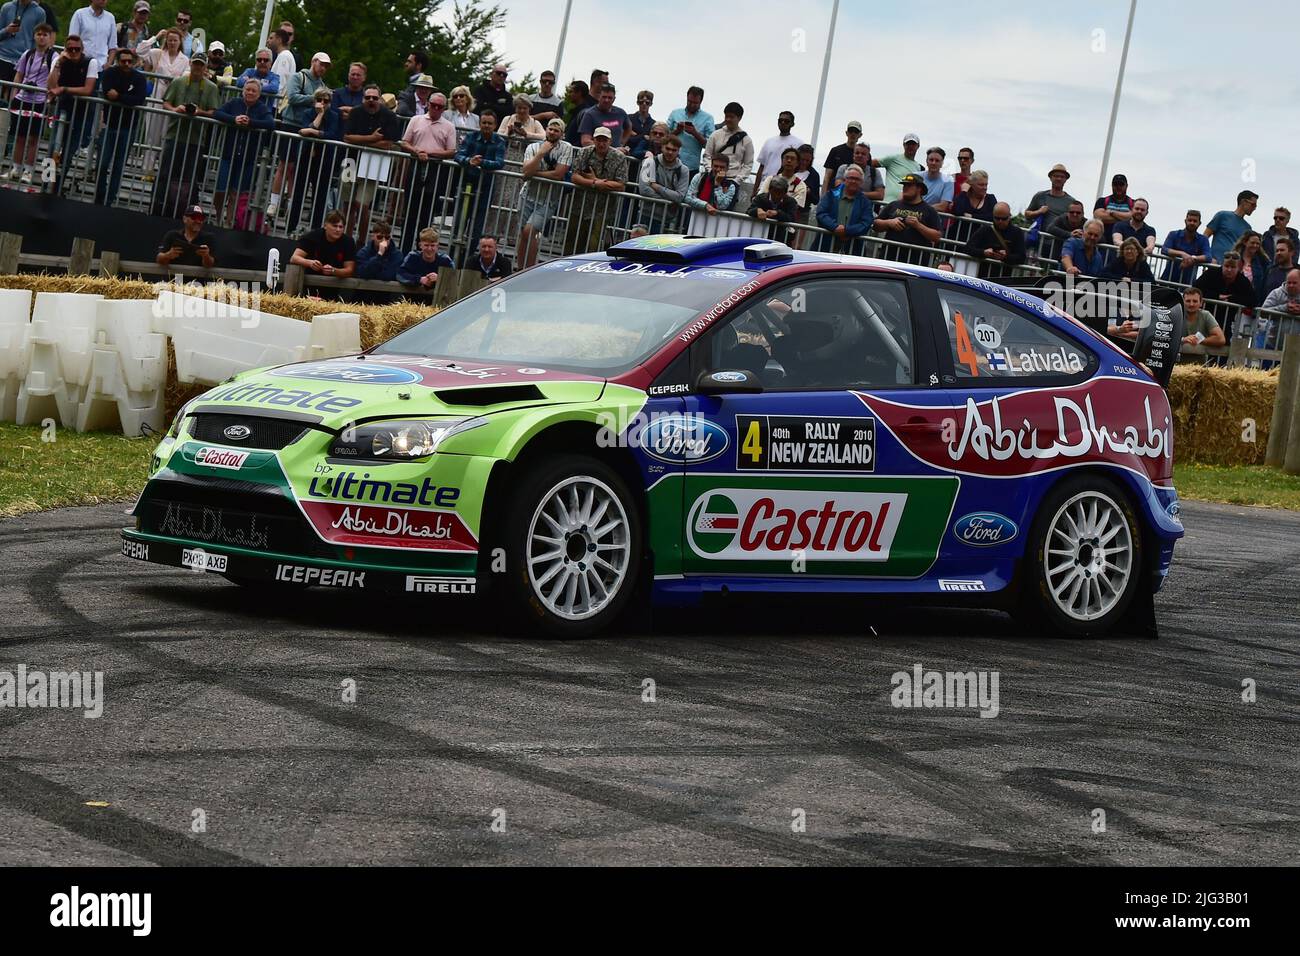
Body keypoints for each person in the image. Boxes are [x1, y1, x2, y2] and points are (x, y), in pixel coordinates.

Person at [149, 51, 219, 218]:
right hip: (174, 135)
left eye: (201, 65)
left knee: (191, 178)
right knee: (165, 173)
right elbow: (165, 102)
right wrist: (176, 109)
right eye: (195, 63)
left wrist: (199, 112)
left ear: (205, 67)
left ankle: (188, 214)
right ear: (190, 64)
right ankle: (157, 209)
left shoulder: (211, 87)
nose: (197, 67)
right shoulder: (179, 82)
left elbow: (214, 111)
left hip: (196, 139)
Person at [267, 50, 329, 222]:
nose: (323, 68)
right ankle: (274, 202)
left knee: (296, 168)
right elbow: (293, 97)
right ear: (313, 61)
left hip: (306, 127)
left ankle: (290, 203)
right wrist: (314, 99)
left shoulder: (322, 84)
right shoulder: (298, 77)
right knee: (284, 164)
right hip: (290, 123)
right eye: (321, 63)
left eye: (326, 66)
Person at [212, 76, 275, 227]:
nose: (250, 93)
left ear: (259, 94)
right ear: (243, 91)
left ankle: (229, 221)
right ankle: (218, 216)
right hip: (228, 155)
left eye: (254, 91)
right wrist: (234, 120)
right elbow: (217, 113)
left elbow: (270, 123)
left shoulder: (261, 108)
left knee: (237, 192)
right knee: (221, 189)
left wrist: (251, 123)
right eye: (248, 89)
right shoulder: (234, 103)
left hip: (248, 159)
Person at [399, 91, 458, 251]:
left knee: (428, 212)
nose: (436, 109)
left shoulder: (449, 126)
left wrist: (430, 154)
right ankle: (404, 249)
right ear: (428, 105)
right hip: (416, 165)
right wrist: (417, 152)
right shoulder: (416, 120)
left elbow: (452, 151)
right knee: (410, 210)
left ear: (444, 108)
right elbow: (404, 142)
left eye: (440, 107)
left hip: (435, 169)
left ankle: (422, 251)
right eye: (433, 105)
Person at [343, 81, 400, 238]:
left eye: (374, 98)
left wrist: (361, 140)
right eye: (367, 97)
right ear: (363, 98)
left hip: (374, 163)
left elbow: (388, 144)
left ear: (380, 99)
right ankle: (346, 239)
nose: (371, 100)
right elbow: (347, 137)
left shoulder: (389, 116)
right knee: (347, 205)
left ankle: (361, 241)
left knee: (362, 205)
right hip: (351, 160)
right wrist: (372, 138)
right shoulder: (355, 112)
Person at [515, 117, 573, 268]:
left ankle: (530, 268)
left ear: (562, 134)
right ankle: (521, 268)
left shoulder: (566, 148)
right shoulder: (533, 147)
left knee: (529, 231)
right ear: (546, 129)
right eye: (550, 129)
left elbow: (558, 174)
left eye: (556, 130)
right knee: (524, 233)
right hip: (527, 195)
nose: (552, 132)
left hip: (548, 199)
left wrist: (535, 174)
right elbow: (526, 171)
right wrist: (541, 153)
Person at [93, 44, 147, 206]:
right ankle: (100, 196)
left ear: (134, 62)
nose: (126, 64)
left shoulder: (139, 78)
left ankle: (110, 199)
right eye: (123, 61)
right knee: (102, 164)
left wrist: (119, 96)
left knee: (118, 165)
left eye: (129, 61)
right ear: (118, 61)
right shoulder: (110, 73)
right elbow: (108, 92)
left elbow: (139, 98)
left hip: (128, 127)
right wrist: (125, 97)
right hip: (109, 125)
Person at [48, 35, 100, 194]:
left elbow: (88, 89)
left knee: (69, 150)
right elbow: (51, 86)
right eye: (70, 49)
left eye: (77, 49)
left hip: (82, 111)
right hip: (63, 107)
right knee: (52, 149)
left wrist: (64, 89)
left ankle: (58, 186)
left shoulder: (91, 62)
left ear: (82, 49)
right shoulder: (60, 61)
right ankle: (46, 184)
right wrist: (58, 64)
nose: (74, 52)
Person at [567, 125, 629, 253]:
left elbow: (621, 185)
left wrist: (600, 184)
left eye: (604, 140)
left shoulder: (619, 157)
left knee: (593, 244)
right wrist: (594, 182)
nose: (601, 143)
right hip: (580, 204)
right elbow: (574, 176)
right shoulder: (584, 152)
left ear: (610, 141)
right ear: (594, 140)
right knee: (571, 241)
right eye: (598, 140)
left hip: (603, 208)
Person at [7, 21, 55, 184]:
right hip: (22, 99)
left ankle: (28, 170)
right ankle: (15, 168)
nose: (41, 37)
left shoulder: (53, 56)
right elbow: (19, 75)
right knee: (19, 136)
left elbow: (55, 79)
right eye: (39, 34)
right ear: (34, 36)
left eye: (45, 35)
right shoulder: (27, 54)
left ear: (50, 38)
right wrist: (14, 96)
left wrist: (49, 98)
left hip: (40, 100)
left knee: (34, 138)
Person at [454, 109, 506, 250]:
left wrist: (482, 163)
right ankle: (453, 256)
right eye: (484, 123)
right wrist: (469, 161)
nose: (486, 126)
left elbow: (500, 162)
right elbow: (458, 155)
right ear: (480, 123)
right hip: (466, 183)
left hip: (486, 188)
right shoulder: (471, 136)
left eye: (490, 123)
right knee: (459, 222)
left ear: (495, 125)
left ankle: (468, 256)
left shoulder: (499, 141)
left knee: (477, 227)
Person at [872, 173, 942, 261]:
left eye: (909, 185)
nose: (905, 188)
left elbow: (936, 237)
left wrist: (918, 225)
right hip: (889, 258)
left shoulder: (929, 211)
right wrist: (889, 223)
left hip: (916, 262)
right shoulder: (893, 205)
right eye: (904, 185)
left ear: (919, 188)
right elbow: (875, 225)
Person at [1193, 251, 1256, 337]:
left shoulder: (1243, 281)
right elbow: (1196, 288)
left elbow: (1253, 300)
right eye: (1226, 266)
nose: (1229, 269)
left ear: (1239, 268)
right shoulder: (1211, 273)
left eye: (1233, 267)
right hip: (1205, 316)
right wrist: (1217, 296)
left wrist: (1231, 299)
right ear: (1222, 265)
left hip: (1227, 320)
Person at [814, 164, 873, 253]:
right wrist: (835, 227)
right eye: (850, 178)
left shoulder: (866, 202)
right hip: (824, 246)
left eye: (857, 179)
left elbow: (866, 223)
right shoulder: (830, 195)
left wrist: (847, 231)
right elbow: (821, 214)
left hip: (852, 251)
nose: (853, 181)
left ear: (861, 182)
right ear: (844, 180)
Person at [637, 133, 689, 232]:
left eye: (674, 150)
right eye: (668, 148)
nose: (670, 152)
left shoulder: (683, 170)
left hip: (667, 218)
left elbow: (679, 196)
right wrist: (669, 201)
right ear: (662, 147)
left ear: (678, 151)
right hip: (645, 214)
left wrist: (657, 187)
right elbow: (644, 190)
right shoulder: (649, 162)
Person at [964, 202, 1027, 278]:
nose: (1000, 221)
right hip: (983, 274)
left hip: (1004, 277)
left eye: (1004, 219)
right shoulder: (985, 230)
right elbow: (968, 247)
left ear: (1009, 217)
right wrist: (983, 252)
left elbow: (1021, 257)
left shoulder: (1017, 232)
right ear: (993, 217)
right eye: (997, 218)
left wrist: (1006, 257)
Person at [291, 210, 357, 278]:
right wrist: (310, 263)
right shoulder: (313, 236)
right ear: (325, 226)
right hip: (309, 279)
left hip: (335, 283)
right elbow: (294, 258)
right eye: (335, 226)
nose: (338, 230)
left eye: (341, 227)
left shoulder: (348, 242)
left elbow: (349, 270)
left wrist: (334, 271)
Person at [702, 101, 754, 187]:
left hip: (732, 181)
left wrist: (737, 180)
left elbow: (748, 164)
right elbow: (707, 155)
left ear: (739, 118)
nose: (728, 119)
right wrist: (710, 171)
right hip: (712, 177)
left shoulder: (746, 140)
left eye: (732, 117)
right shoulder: (715, 135)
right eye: (726, 116)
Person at [665, 85, 714, 174]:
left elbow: (709, 145)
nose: (691, 105)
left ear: (701, 101)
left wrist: (695, 133)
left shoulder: (708, 119)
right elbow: (664, 138)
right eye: (689, 101)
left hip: (691, 167)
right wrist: (677, 131)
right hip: (670, 162)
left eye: (695, 103)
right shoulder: (675, 113)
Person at [0, 0, 47, 84]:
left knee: (14, 92)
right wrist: (7, 30)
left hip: (23, 61)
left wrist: (32, 61)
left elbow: (38, 40)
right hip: (3, 57)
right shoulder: (7, 7)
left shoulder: (39, 12)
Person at [1204, 190, 1257, 263]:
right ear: (1243, 202)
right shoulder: (1222, 216)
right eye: (1253, 205)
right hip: (1215, 265)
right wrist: (1209, 256)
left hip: (1234, 268)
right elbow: (1205, 236)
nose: (1254, 208)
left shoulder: (1248, 228)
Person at [156, 205, 215, 269]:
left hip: (198, 277)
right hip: (178, 276)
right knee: (178, 277)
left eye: (201, 218)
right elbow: (159, 259)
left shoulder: (208, 238)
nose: (198, 221)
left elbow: (210, 265)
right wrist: (168, 255)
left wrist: (206, 256)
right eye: (194, 217)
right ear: (184, 219)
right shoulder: (172, 235)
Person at [1160, 209, 1211, 284]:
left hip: (1187, 282)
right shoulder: (1174, 234)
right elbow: (1164, 249)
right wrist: (1182, 254)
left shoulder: (1203, 239)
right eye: (1190, 220)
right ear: (1185, 221)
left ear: (1199, 223)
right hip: (1168, 278)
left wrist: (1192, 258)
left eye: (1195, 221)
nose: (1192, 223)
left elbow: (1208, 257)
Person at [753, 110, 802, 186]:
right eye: (780, 120)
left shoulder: (799, 143)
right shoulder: (769, 142)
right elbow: (761, 167)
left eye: (786, 121)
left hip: (785, 186)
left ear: (792, 124)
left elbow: (800, 168)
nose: (783, 123)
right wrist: (755, 188)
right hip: (765, 184)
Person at [1025, 163, 1077, 231]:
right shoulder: (1040, 196)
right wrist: (1038, 212)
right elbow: (1027, 214)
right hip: (1039, 239)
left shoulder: (1071, 202)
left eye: (1062, 177)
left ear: (1065, 179)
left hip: (1059, 240)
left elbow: (1076, 221)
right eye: (1056, 176)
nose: (1059, 179)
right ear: (1050, 178)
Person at [747, 175, 799, 242]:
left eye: (780, 193)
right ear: (770, 189)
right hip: (759, 235)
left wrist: (778, 214)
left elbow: (791, 218)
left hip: (781, 239)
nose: (777, 196)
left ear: (785, 192)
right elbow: (748, 211)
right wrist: (757, 210)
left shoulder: (791, 202)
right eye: (775, 192)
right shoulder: (760, 198)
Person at [1258, 268, 1300, 350]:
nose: (1291, 285)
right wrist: (1284, 308)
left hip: (1296, 349)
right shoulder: (1276, 293)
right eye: (1289, 282)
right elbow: (1263, 312)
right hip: (1273, 344)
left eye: (1294, 283)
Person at [578, 83, 631, 147]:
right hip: (597, 155)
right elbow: (585, 141)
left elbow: (629, 127)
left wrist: (622, 143)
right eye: (604, 97)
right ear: (599, 97)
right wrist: (609, 149)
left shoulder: (621, 113)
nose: (606, 100)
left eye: (610, 98)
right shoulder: (589, 114)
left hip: (616, 155)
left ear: (614, 99)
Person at [757, 147, 807, 214]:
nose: (789, 161)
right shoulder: (770, 179)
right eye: (786, 158)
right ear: (782, 161)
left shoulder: (801, 185)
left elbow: (795, 207)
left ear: (797, 163)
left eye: (792, 159)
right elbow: (760, 198)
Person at [67, 0, 115, 67]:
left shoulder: (110, 18)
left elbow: (112, 46)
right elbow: (71, 41)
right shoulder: (80, 14)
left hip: (101, 66)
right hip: (81, 64)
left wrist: (109, 64)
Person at [878, 133, 923, 202]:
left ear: (918, 146)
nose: (910, 146)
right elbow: (869, 163)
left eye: (913, 144)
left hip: (906, 207)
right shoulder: (893, 159)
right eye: (908, 144)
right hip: (888, 204)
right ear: (904, 145)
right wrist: (878, 186)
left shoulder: (919, 167)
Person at [1231, 231, 1272, 303]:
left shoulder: (1263, 262)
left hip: (1251, 301)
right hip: (1233, 297)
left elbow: (1264, 285)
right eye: (1252, 243)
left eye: (1257, 244)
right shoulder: (1234, 257)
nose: (1255, 245)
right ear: (1245, 242)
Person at [820, 120, 862, 188]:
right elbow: (827, 177)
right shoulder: (835, 151)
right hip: (834, 193)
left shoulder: (863, 155)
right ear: (846, 133)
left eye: (856, 132)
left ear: (860, 135)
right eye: (850, 131)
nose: (853, 134)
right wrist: (823, 196)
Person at [394, 49, 428, 118]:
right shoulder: (411, 83)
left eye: (409, 62)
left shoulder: (416, 86)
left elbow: (403, 110)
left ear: (418, 65)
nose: (406, 64)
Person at [624, 89, 655, 161]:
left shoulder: (653, 124)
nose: (644, 104)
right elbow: (626, 139)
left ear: (651, 104)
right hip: (627, 154)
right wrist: (643, 136)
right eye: (641, 102)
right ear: (637, 103)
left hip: (643, 158)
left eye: (647, 102)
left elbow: (651, 142)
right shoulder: (628, 118)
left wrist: (635, 135)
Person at [919, 147, 953, 213]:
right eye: (931, 160)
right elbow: (902, 196)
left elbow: (943, 206)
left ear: (942, 163)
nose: (933, 163)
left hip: (932, 220)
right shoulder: (916, 176)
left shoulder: (948, 180)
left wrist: (919, 209)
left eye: (937, 160)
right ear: (926, 161)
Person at [266, 27, 294, 102]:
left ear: (279, 40)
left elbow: (280, 82)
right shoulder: (283, 55)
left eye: (271, 38)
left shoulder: (284, 56)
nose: (268, 41)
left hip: (276, 104)